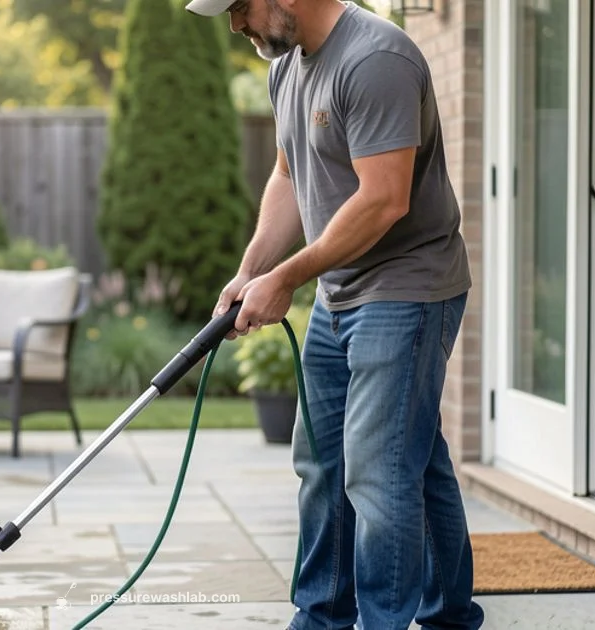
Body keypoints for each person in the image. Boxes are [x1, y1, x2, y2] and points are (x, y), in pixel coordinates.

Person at [183, 1, 486, 629]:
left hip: (408, 287)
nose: (235, 25)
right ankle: (328, 616)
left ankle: (382, 619)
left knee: (379, 476)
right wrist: (251, 270)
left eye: (239, 8)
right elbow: (288, 176)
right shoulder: (287, 66)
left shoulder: (377, 58)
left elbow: (383, 201)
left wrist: (288, 277)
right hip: (339, 290)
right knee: (337, 461)